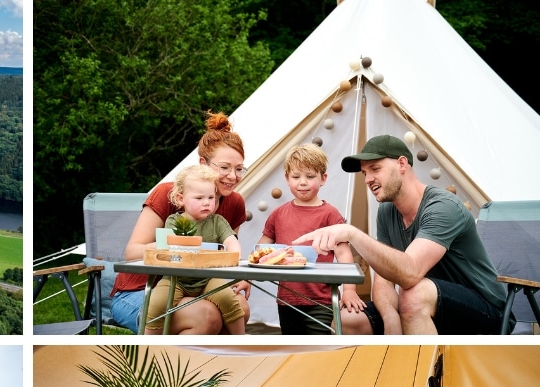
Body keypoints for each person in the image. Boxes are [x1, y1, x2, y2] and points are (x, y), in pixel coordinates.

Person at [295, 135, 505, 334]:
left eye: (375, 169)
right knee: (347, 320)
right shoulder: (387, 210)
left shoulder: (442, 206)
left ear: (402, 165)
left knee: (412, 294)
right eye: (364, 173)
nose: (368, 179)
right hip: (424, 306)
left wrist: (352, 234)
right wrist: (390, 318)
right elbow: (385, 276)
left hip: (486, 310)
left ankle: (418, 371)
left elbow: (410, 272)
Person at [110, 111, 251, 334]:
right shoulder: (167, 193)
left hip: (198, 285)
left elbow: (224, 253)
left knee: (240, 308)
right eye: (224, 167)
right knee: (206, 315)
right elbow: (132, 252)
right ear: (203, 163)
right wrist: (175, 247)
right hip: (142, 291)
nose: (232, 176)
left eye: (238, 168)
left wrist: (240, 276)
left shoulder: (234, 203)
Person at [257, 144, 363, 334]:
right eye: (296, 177)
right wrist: (246, 279)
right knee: (292, 346)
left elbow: (344, 254)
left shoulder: (330, 215)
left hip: (321, 300)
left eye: (310, 176)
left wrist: (349, 290)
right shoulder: (278, 214)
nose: (302, 182)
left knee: (318, 345)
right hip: (286, 300)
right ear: (287, 178)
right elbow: (261, 249)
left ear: (323, 178)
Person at [145, 164, 245, 334]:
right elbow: (168, 245)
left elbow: (231, 241)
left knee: (229, 298)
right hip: (175, 279)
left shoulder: (217, 222)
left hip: (208, 278)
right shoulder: (174, 221)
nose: (206, 203)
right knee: (156, 302)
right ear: (180, 199)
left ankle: (241, 339)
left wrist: (234, 252)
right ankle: (148, 342)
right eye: (199, 198)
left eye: (211, 197)